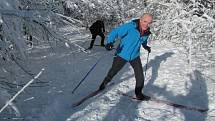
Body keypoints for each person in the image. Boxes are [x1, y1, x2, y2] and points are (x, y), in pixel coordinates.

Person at [99, 13, 153, 100]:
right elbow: (115, 32)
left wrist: (145, 46)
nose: (146, 24)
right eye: (145, 21)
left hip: (135, 56)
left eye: (149, 22)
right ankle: (105, 82)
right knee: (113, 71)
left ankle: (138, 93)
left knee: (140, 75)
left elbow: (143, 40)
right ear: (140, 20)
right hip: (122, 54)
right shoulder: (130, 27)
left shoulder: (146, 32)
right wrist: (110, 42)